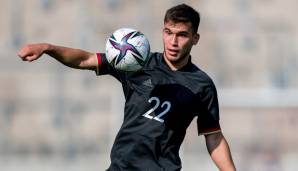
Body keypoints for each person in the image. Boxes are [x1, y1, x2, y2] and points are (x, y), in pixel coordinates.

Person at [18, 3, 236, 171]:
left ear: (195, 38)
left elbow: (214, 137)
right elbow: (85, 60)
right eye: (169, 32)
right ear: (163, 31)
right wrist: (47, 48)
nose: (173, 42)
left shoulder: (201, 84)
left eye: (182, 35)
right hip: (120, 167)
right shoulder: (135, 62)